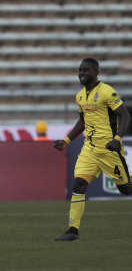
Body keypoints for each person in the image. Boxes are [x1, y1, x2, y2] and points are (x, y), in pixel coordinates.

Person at [54, 58, 131, 241]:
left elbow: (125, 116)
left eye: (86, 70)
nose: (81, 73)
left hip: (109, 149)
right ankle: (73, 231)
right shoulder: (80, 96)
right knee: (79, 184)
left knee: (126, 189)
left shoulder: (106, 91)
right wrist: (67, 140)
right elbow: (83, 121)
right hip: (89, 148)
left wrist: (117, 139)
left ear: (96, 72)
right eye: (80, 70)